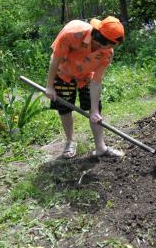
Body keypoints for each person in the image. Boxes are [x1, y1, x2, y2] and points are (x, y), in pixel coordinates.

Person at [45, 16, 125, 159]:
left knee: (95, 109)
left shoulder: (107, 53)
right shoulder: (72, 34)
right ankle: (70, 141)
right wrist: (49, 86)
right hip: (63, 71)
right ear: (102, 40)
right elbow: (55, 59)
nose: (112, 49)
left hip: (86, 74)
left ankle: (100, 147)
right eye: (111, 45)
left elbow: (96, 81)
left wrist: (94, 111)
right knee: (65, 107)